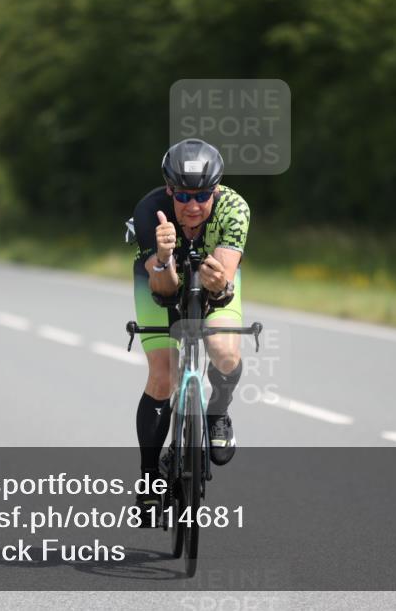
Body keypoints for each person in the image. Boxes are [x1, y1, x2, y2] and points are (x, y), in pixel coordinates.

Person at [130, 138, 251, 513]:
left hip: (214, 278)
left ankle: (218, 410)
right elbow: (163, 291)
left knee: (224, 352)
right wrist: (164, 257)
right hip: (158, 281)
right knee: (163, 376)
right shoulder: (151, 211)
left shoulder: (234, 208)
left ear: (216, 190)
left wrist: (218, 284)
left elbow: (223, 286)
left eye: (202, 196)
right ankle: (149, 480)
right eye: (182, 197)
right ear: (170, 191)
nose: (193, 206)